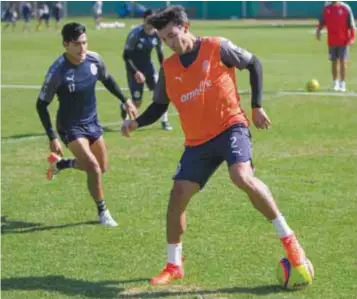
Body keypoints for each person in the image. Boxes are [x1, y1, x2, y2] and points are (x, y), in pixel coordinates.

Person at [121, 6, 311, 285]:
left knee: (241, 176)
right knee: (177, 195)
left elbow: (253, 63)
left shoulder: (216, 47)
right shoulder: (169, 67)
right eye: (164, 40)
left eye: (173, 35)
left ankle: (289, 240)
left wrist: (256, 106)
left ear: (186, 26)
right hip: (197, 142)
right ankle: (174, 264)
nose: (170, 44)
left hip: (231, 127)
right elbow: (159, 105)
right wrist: (136, 122)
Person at [36, 22, 137, 227]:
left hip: (92, 122)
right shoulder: (57, 71)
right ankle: (103, 212)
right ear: (66, 44)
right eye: (76, 44)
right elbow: (41, 105)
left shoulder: (94, 59)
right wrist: (53, 136)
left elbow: (108, 80)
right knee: (93, 168)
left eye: (84, 42)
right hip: (70, 126)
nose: (82, 49)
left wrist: (125, 100)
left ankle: (63, 164)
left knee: (102, 167)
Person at [122, 9, 172, 131]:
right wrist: (136, 72)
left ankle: (164, 121)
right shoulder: (135, 34)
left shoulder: (156, 34)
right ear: (143, 20)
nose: (150, 24)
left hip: (149, 68)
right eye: (148, 21)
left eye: (153, 21)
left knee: (160, 94)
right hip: (134, 69)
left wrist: (164, 68)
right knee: (137, 101)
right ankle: (124, 106)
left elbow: (159, 53)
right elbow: (126, 56)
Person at [316, 1, 356, 92]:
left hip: (344, 40)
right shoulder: (327, 8)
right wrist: (318, 31)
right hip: (331, 41)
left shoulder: (345, 8)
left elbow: (352, 25)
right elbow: (322, 22)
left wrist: (352, 37)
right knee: (334, 61)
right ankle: (335, 83)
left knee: (343, 61)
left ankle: (343, 84)